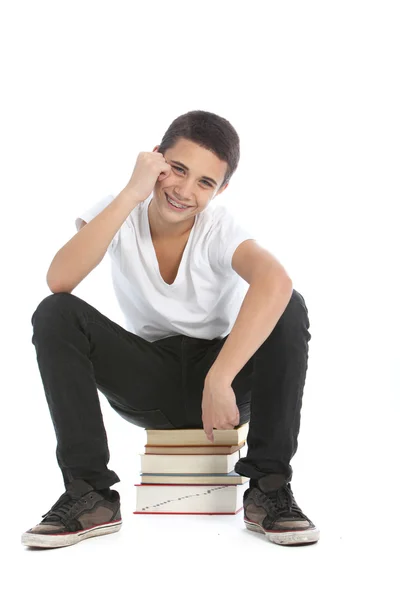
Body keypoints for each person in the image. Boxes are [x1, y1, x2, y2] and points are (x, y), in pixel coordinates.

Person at [21, 110, 319, 549]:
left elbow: (276, 280)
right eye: (177, 169)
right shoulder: (121, 207)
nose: (183, 190)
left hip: (224, 380)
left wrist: (219, 378)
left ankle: (269, 488)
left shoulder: (218, 227)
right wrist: (131, 192)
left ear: (221, 190)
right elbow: (59, 281)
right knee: (55, 312)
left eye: (205, 182)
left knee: (288, 306)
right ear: (155, 159)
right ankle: (90, 494)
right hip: (150, 381)